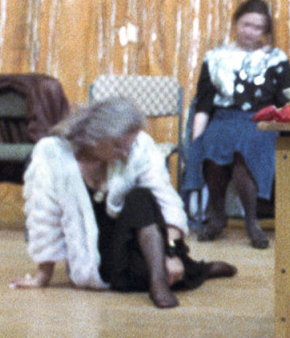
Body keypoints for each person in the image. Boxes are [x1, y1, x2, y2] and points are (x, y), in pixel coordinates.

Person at [15, 98, 236, 308]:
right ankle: (198, 270)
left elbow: (166, 200)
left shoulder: (139, 146)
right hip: (104, 263)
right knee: (155, 272)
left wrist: (172, 254)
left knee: (140, 197)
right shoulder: (52, 153)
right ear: (95, 136)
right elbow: (44, 217)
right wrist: (42, 277)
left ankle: (159, 285)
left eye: (127, 147)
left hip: (136, 244)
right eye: (118, 146)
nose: (125, 153)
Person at [182, 0, 290, 249]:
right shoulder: (215, 57)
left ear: (265, 31)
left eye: (257, 27)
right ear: (236, 23)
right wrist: (196, 138)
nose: (250, 32)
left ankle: (252, 221)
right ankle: (217, 215)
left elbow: (285, 101)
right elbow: (204, 103)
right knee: (210, 143)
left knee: (249, 144)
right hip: (223, 117)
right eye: (246, 24)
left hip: (261, 121)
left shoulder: (277, 58)